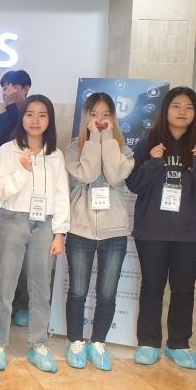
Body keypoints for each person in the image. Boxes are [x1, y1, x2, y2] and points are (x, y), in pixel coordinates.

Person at [126, 86, 196, 370]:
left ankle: (179, 343)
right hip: (152, 230)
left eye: (189, 108)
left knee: (183, 290)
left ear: (195, 114)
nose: (182, 112)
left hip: (189, 232)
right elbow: (134, 185)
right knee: (152, 286)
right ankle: (148, 342)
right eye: (176, 106)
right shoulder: (147, 143)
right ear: (165, 110)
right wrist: (154, 162)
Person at [0, 94, 69, 374]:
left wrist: (60, 233)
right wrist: (23, 171)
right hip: (13, 220)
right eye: (30, 114)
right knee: (5, 287)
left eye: (42, 115)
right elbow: (2, 191)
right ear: (21, 118)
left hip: (44, 224)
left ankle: (38, 345)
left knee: (40, 289)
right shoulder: (7, 150)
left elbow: (61, 195)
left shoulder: (56, 155)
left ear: (50, 120)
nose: (35, 120)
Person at [63, 92, 135, 371]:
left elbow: (115, 176)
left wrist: (107, 140)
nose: (100, 119)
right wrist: (94, 139)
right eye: (94, 115)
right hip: (80, 229)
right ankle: (75, 341)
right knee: (78, 291)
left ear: (113, 118)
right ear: (86, 118)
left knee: (107, 293)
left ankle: (98, 343)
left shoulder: (124, 150)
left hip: (114, 232)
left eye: (106, 115)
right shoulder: (73, 148)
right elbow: (87, 175)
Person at [0, 70, 32, 327]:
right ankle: (5, 301)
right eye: (4, 86)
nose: (7, 90)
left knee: (24, 256)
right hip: (1, 195)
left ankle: (23, 303)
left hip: (28, 197)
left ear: (25, 88)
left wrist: (16, 109)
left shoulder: (35, 119)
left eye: (13, 85)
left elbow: (24, 141)